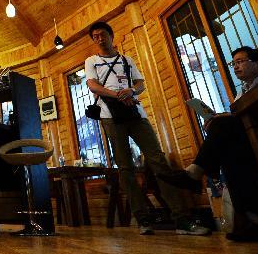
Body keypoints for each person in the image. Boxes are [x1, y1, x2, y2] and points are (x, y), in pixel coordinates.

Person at [85, 21, 210, 236]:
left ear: (111, 35)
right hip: (109, 116)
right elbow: (92, 85)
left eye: (103, 34)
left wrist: (132, 92)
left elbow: (141, 83)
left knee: (158, 160)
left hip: (136, 113)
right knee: (125, 168)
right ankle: (143, 219)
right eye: (95, 36)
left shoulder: (127, 60)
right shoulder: (91, 61)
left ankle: (182, 219)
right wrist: (117, 94)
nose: (99, 39)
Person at [158, 46, 258, 242]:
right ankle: (254, 220)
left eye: (240, 62)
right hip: (246, 142)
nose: (235, 67)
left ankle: (194, 174)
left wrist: (224, 119)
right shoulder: (241, 91)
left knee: (223, 127)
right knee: (227, 149)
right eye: (233, 63)